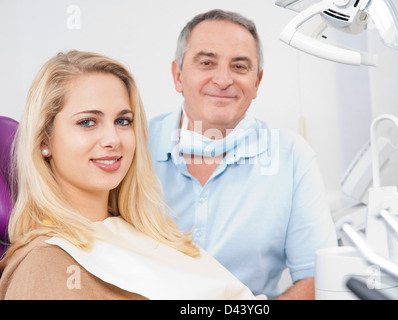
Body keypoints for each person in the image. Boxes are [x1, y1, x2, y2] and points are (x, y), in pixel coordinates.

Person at [0, 50, 256, 300]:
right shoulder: (45, 261)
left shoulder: (155, 235)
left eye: (123, 121)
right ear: (44, 139)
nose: (113, 139)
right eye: (87, 122)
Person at [148, 9, 338, 300]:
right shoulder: (134, 147)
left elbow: (318, 277)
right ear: (178, 76)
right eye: (207, 62)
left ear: (257, 82)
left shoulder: (291, 157)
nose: (223, 80)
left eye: (239, 66)